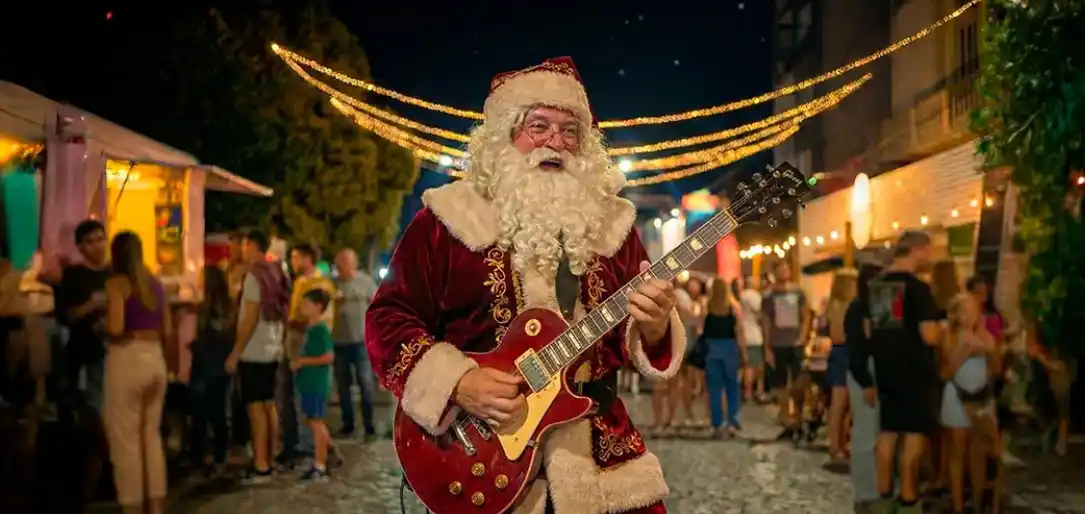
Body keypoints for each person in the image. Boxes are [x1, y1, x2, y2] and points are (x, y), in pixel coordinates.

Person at [366, 57, 685, 514]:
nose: (555, 142)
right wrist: (458, 383)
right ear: (504, 134)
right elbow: (388, 319)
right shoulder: (447, 220)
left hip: (600, 459)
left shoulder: (613, 225)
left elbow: (632, 337)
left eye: (570, 130)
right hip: (480, 456)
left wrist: (654, 327)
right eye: (539, 126)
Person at [866, 231, 943, 514]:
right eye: (930, 250)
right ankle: (909, 498)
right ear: (917, 250)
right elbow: (929, 335)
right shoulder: (918, 289)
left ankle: (883, 496)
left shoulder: (881, 286)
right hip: (915, 373)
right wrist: (943, 330)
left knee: (888, 433)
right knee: (913, 436)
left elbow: (877, 331)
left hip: (888, 370)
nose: (931, 256)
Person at [102, 232, 171, 514]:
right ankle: (156, 506)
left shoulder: (116, 283)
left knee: (125, 441)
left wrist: (102, 326)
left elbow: (116, 328)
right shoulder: (155, 284)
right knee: (151, 438)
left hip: (127, 359)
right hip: (155, 358)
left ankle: (132, 506)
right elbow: (167, 329)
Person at [225, 230, 290, 484]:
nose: (242, 250)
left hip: (254, 349)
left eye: (244, 245)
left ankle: (261, 465)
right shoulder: (277, 272)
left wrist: (236, 352)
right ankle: (269, 460)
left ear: (252, 245)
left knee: (255, 409)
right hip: (273, 347)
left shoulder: (254, 275)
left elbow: (250, 316)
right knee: (268, 405)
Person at [55, 219, 111, 501]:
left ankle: (106, 484)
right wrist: (91, 304)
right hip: (86, 358)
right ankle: (87, 489)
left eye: (100, 239)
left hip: (116, 357)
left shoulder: (116, 274)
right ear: (79, 247)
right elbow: (65, 316)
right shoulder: (74, 277)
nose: (97, 246)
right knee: (93, 422)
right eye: (90, 241)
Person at [939, 292, 1000, 514]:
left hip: (982, 398)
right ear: (956, 314)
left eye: (974, 310)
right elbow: (944, 373)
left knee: (979, 453)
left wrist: (990, 351)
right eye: (966, 310)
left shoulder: (985, 335)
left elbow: (997, 370)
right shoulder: (948, 336)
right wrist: (964, 352)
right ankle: (957, 506)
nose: (971, 315)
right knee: (957, 453)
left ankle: (976, 502)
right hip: (956, 396)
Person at [279, 243, 334, 467]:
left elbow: (324, 327)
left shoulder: (321, 285)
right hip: (296, 347)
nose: (292, 261)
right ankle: (326, 450)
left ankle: (318, 457)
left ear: (308, 258)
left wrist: (298, 326)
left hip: (310, 358)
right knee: (305, 410)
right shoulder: (299, 282)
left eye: (295, 257)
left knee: (314, 416)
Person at [188, 265, 235, 476]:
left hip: (204, 366)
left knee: (200, 414)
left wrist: (193, 346)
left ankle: (198, 457)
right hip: (222, 366)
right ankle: (219, 455)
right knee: (218, 413)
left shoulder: (204, 309)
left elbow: (202, 338)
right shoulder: (230, 308)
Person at [845, 263, 884, 510]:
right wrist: (866, 382)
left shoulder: (880, 308)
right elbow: (856, 349)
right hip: (865, 375)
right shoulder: (858, 309)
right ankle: (865, 492)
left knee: (877, 434)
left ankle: (878, 487)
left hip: (876, 372)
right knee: (865, 435)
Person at [331, 248, 379, 439]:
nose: (344, 266)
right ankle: (348, 424)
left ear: (354, 263)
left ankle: (369, 425)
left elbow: (377, 305)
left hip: (361, 342)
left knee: (365, 383)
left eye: (347, 262)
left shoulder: (366, 282)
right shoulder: (333, 284)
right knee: (343, 385)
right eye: (341, 263)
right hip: (339, 341)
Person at [290, 289, 335, 483]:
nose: (303, 306)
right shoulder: (310, 328)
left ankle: (320, 464)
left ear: (318, 307)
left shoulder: (320, 329)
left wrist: (302, 362)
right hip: (309, 381)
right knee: (313, 420)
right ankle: (329, 453)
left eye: (307, 303)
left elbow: (328, 356)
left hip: (316, 382)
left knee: (316, 422)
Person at [762, 261, 811, 432]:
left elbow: (806, 315)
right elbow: (766, 321)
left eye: (786, 269)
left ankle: (798, 412)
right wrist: (767, 346)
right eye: (780, 269)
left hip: (795, 342)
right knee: (780, 381)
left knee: (799, 379)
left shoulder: (798, 292)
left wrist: (802, 336)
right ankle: (784, 412)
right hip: (778, 342)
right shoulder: (769, 295)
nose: (784, 272)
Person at [702, 278, 746, 438]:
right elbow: (740, 332)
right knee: (732, 387)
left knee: (715, 388)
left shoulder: (707, 306)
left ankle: (717, 424)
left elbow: (701, 328)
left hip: (711, 349)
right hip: (730, 349)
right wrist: (744, 353)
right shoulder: (733, 307)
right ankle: (732, 422)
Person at [825, 269, 857, 470]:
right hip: (845, 352)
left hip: (841, 352)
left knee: (842, 404)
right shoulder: (842, 306)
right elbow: (839, 335)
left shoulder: (835, 305)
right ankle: (837, 444)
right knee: (841, 403)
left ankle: (839, 444)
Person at [739, 277, 765, 402]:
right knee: (755, 366)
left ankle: (747, 391)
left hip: (743, 334)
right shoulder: (754, 296)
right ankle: (753, 392)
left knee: (747, 365)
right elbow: (761, 313)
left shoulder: (741, 296)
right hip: (754, 335)